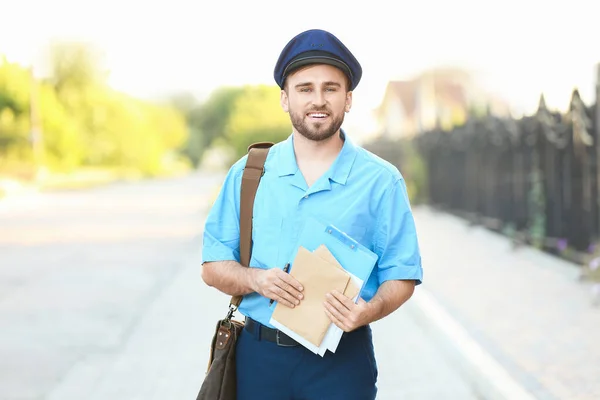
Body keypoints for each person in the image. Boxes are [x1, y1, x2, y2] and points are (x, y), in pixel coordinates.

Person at [201, 28, 423, 400]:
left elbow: (402, 274)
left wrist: (366, 311)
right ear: (285, 98)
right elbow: (212, 267)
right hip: (259, 358)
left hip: (341, 362)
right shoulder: (249, 173)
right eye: (304, 88)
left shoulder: (381, 181)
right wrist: (256, 280)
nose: (318, 100)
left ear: (348, 99)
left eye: (330, 88)